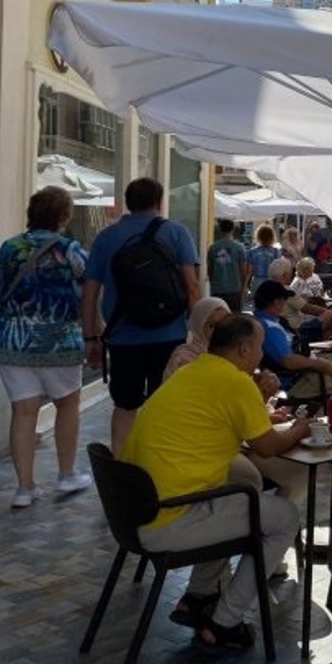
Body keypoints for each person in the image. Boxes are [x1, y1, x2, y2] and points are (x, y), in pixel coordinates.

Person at [122, 315, 306, 654]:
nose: (262, 353)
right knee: (284, 518)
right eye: (260, 346)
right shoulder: (235, 382)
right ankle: (224, 623)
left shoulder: (193, 371)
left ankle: (198, 597)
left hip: (137, 513)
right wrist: (301, 430)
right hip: (170, 519)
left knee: (237, 495)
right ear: (243, 348)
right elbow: (267, 448)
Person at [0, 186, 92, 508]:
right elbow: (90, 292)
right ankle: (66, 473)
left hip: (13, 342)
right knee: (68, 405)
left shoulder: (9, 248)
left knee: (23, 410)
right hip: (59, 341)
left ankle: (24, 487)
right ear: (63, 216)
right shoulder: (72, 249)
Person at [82, 177, 200, 457]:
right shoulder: (176, 233)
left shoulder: (107, 237)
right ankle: (162, 463)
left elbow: (89, 294)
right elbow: (192, 286)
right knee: (167, 403)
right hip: (169, 334)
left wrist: (91, 336)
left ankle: (122, 467)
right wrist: (195, 332)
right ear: (159, 201)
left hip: (123, 336)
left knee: (124, 405)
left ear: (127, 202)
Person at [252, 280, 332, 401]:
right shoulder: (267, 328)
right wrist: (320, 364)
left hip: (307, 363)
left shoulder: (274, 321)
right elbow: (288, 361)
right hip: (295, 379)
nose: (284, 303)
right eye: (284, 299)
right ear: (276, 301)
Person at [164, 297, 231, 380]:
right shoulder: (185, 359)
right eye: (211, 326)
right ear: (198, 327)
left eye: (224, 323)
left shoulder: (232, 351)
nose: (219, 330)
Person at [207, 219, 247, 312]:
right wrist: (244, 287)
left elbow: (210, 269)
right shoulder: (239, 248)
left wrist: (213, 282)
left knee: (219, 317)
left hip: (217, 288)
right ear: (233, 229)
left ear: (220, 229)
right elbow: (243, 270)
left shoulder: (213, 248)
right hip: (234, 288)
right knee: (234, 317)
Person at [245, 225, 279, 296]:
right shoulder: (276, 251)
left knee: (257, 304)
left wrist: (245, 286)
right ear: (272, 236)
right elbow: (278, 270)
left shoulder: (252, 251)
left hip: (257, 281)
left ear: (258, 236)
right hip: (271, 281)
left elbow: (249, 272)